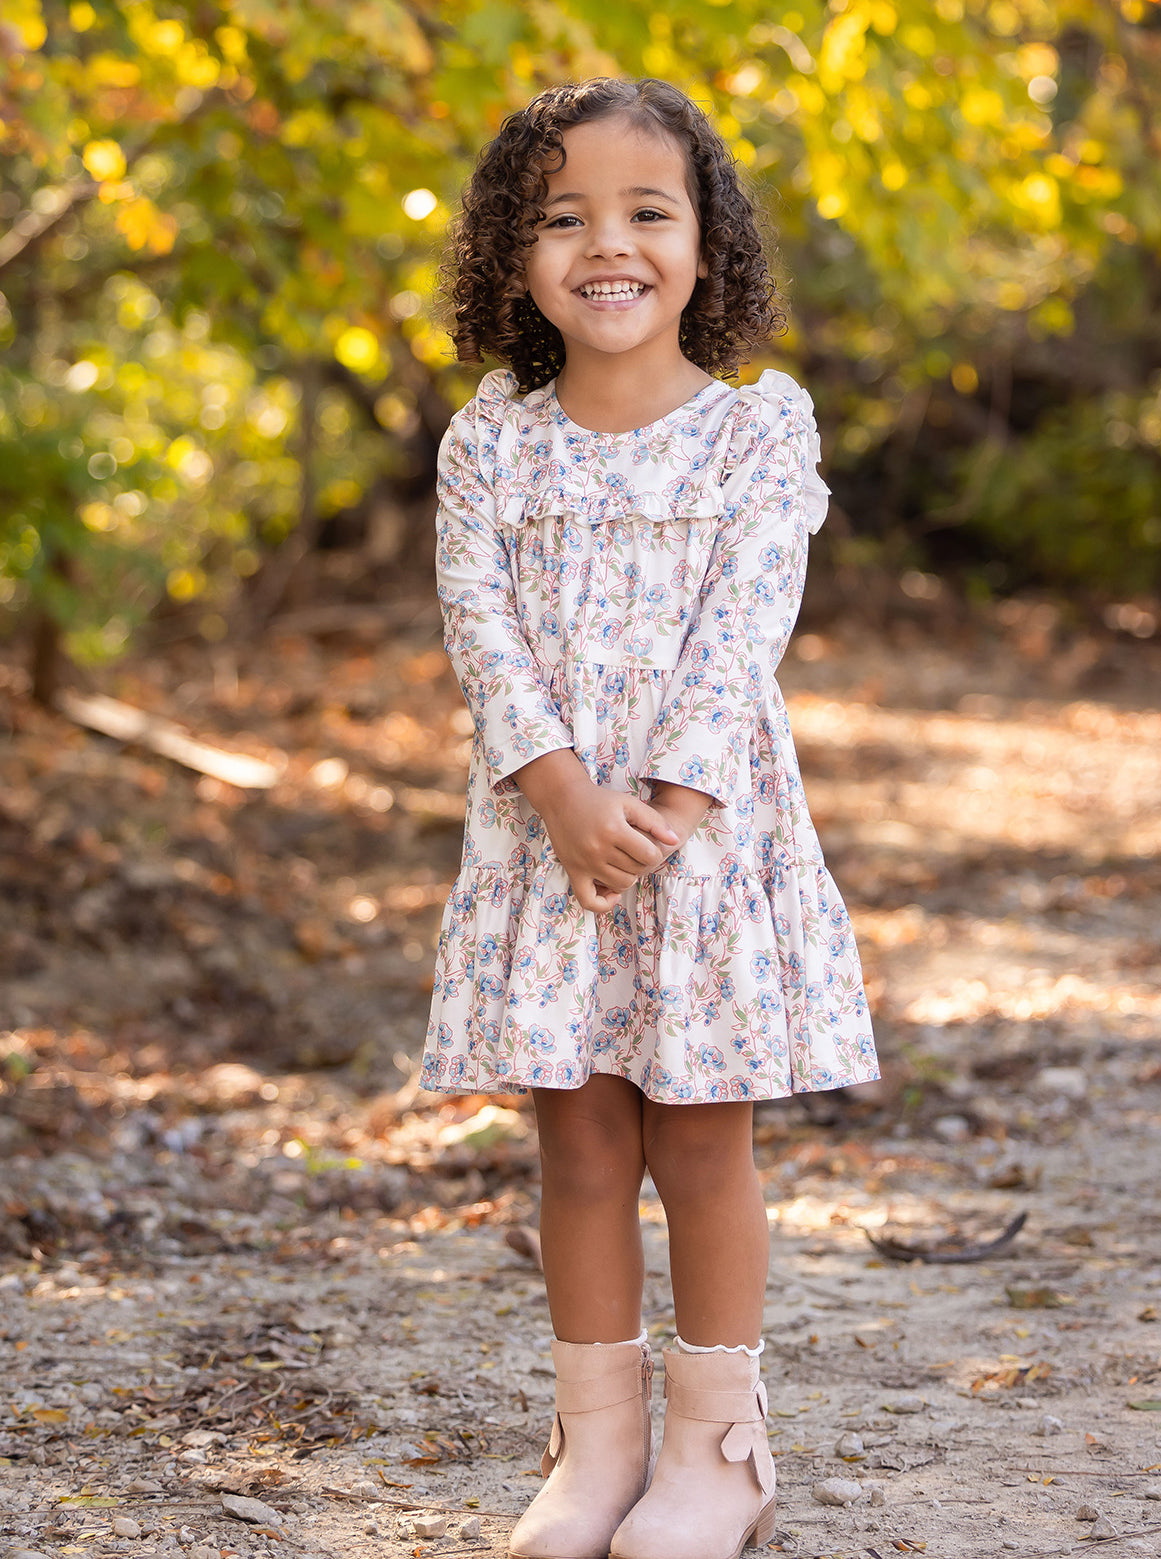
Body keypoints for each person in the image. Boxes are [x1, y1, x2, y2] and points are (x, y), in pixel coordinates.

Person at [419, 77, 879, 1559]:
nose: (605, 245)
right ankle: (595, 1451)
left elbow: (745, 632)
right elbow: (478, 629)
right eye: (562, 217)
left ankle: (719, 1454)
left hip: (703, 847)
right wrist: (561, 795)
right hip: (547, 845)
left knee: (699, 1145)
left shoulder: (755, 436)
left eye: (645, 212)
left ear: (704, 245)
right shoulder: (492, 444)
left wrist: (658, 813)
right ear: (512, 254)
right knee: (576, 1149)